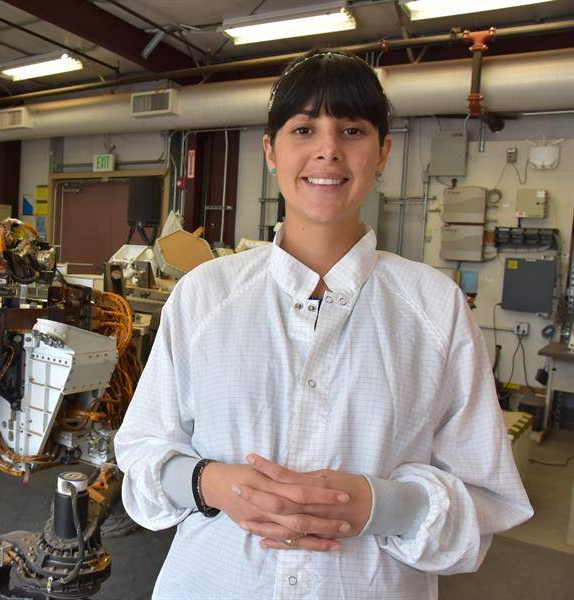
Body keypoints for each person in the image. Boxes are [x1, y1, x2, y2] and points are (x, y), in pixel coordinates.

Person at [115, 48, 533, 599]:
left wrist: (382, 505)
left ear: (382, 152)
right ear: (271, 150)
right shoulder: (205, 296)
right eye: (304, 128)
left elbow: (483, 494)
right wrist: (209, 483)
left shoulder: (435, 308)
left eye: (353, 130)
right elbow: (144, 452)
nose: (328, 150)